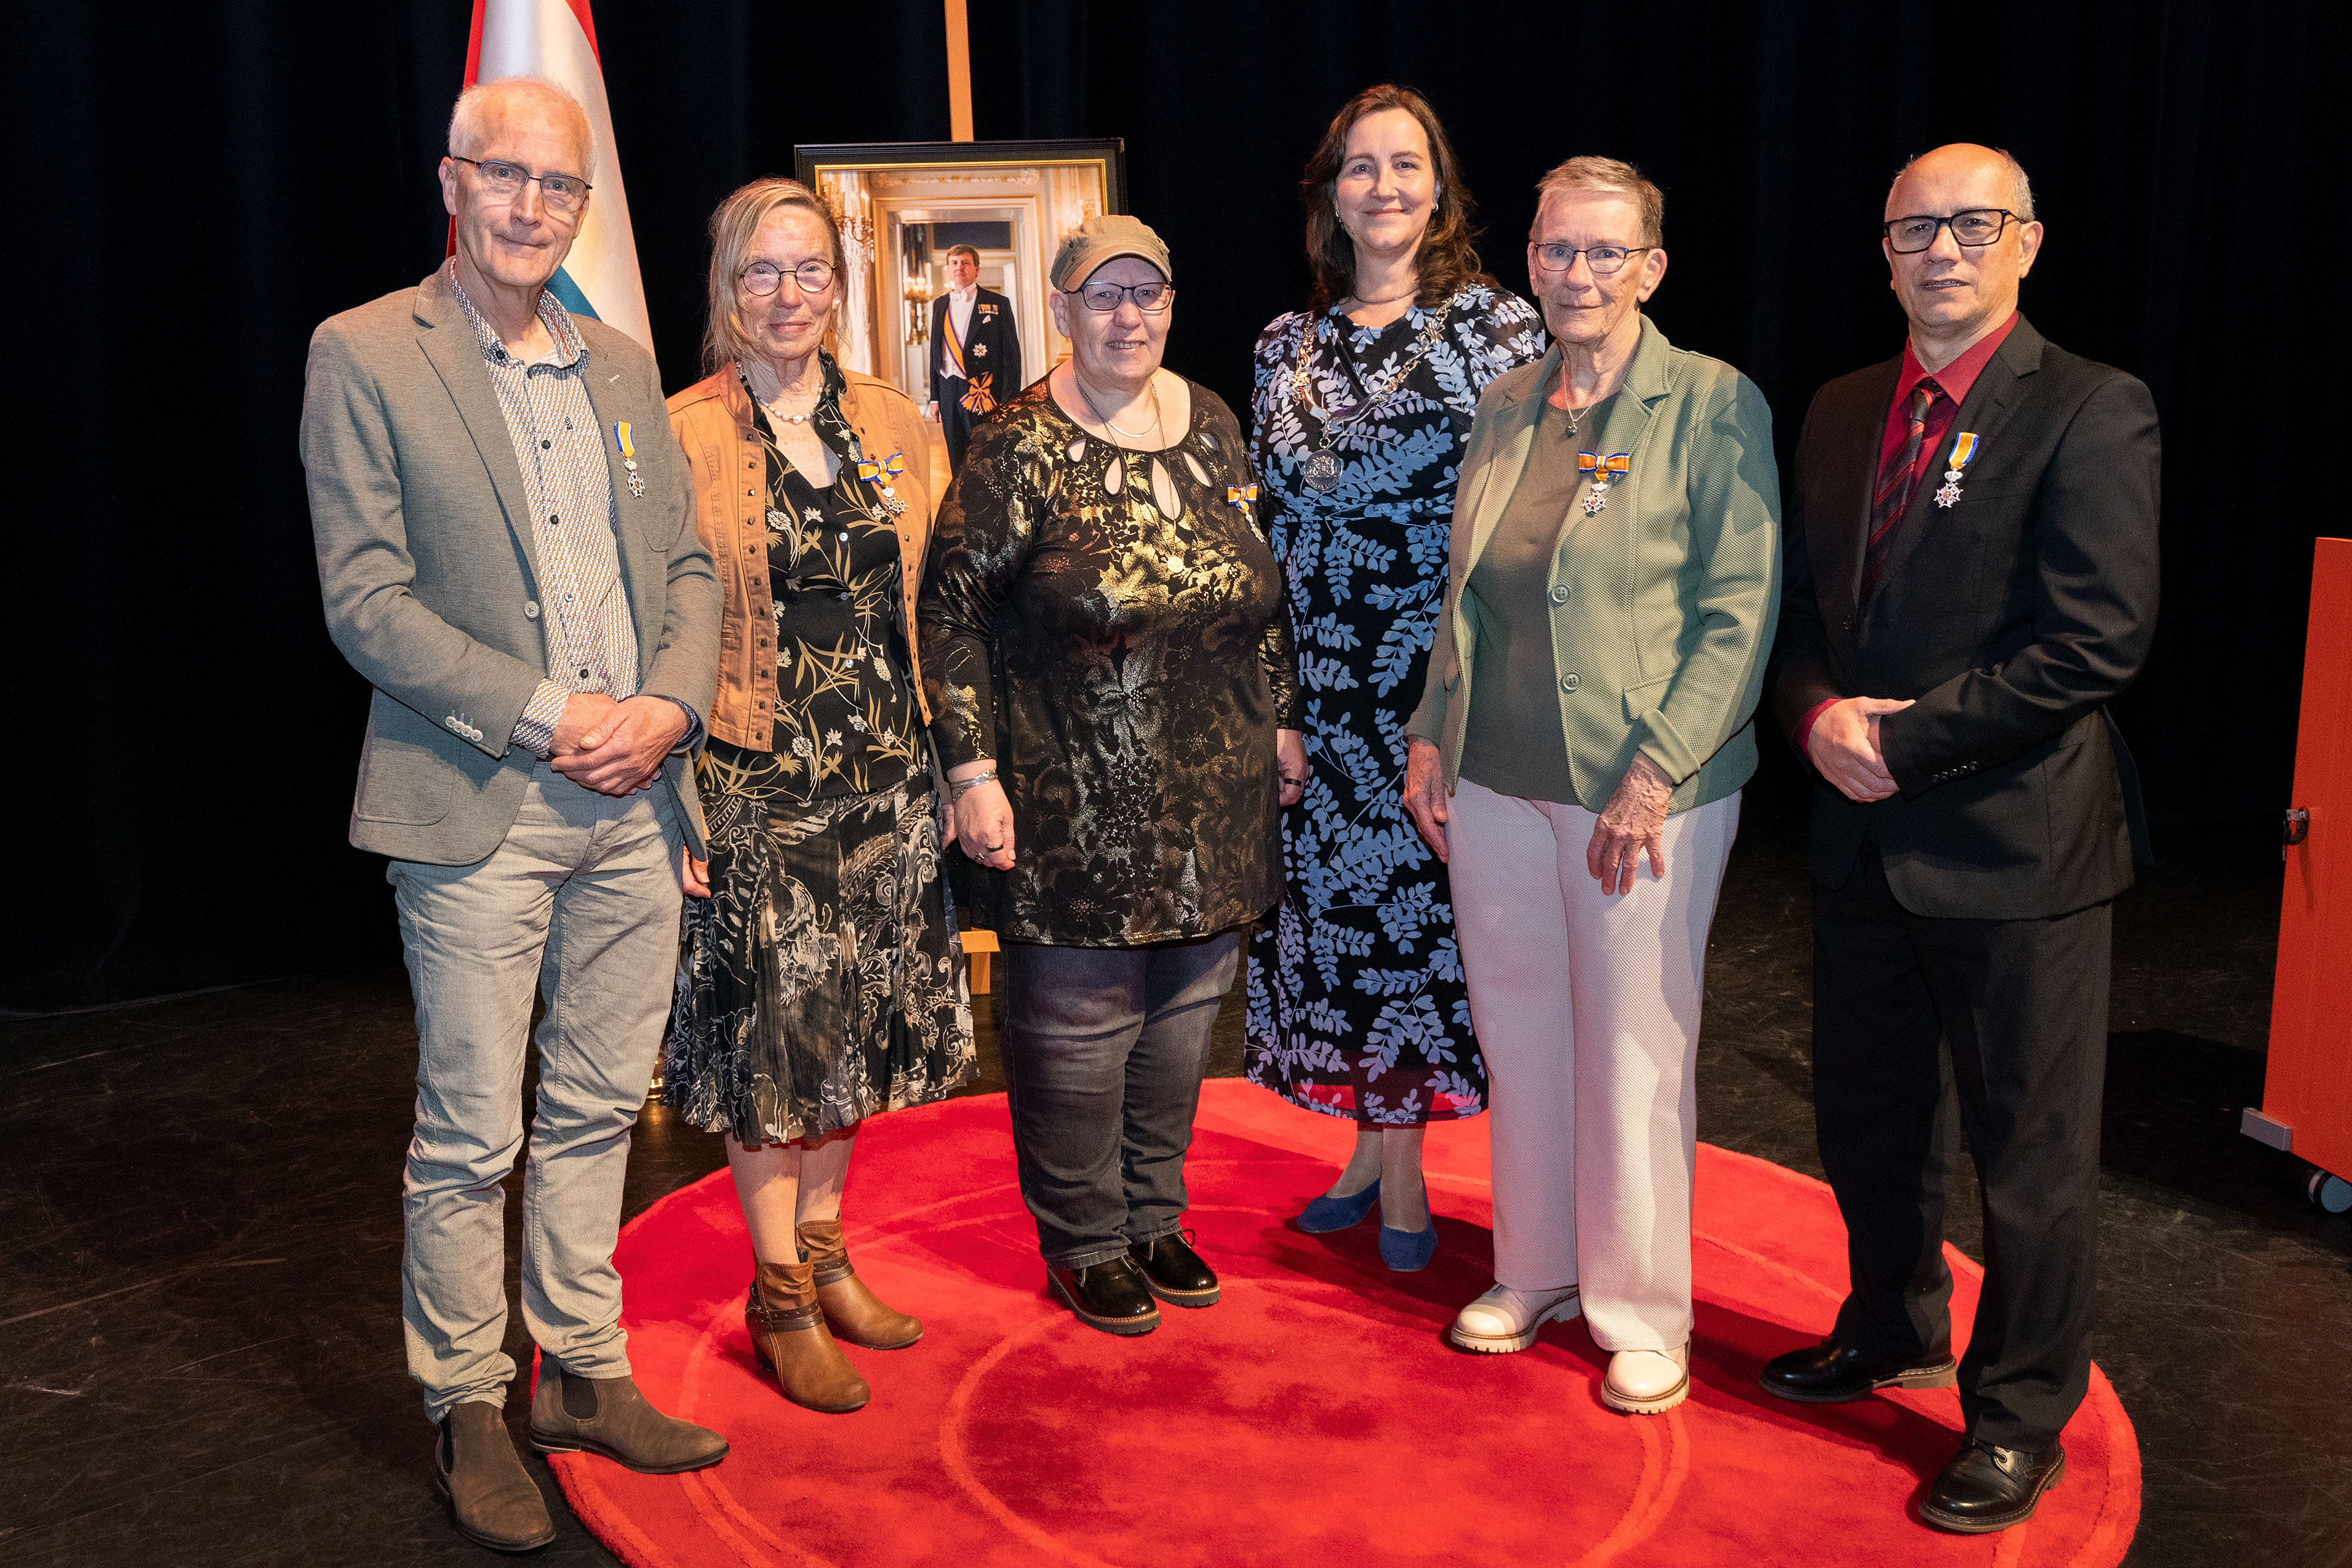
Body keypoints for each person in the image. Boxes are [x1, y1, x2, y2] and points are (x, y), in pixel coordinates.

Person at [299, 77, 728, 1553]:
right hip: (482, 796)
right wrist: (558, 713)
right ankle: (468, 1400)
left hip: (635, 801)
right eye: (508, 178)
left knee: (602, 1104)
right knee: (470, 1130)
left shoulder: (619, 366)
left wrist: (666, 711)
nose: (534, 205)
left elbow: (686, 571)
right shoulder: (364, 351)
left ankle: (579, 1371)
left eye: (560, 185)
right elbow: (365, 603)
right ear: (452, 181)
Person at [1760, 143, 2158, 1532]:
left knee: (2026, 1154)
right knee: (1870, 1119)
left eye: (1970, 224)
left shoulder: (2092, 409)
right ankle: (1887, 1322)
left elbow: (2094, 640)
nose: (1940, 248)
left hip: (2013, 846)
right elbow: (1798, 618)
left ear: (2026, 242)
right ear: (1880, 252)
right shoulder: (1837, 408)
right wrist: (1814, 722)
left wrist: (1901, 740)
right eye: (1912, 228)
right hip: (1856, 835)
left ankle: (2015, 1413)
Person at [1402, 157, 1780, 1414]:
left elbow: (1735, 613)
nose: (1577, 274)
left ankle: (1637, 1308)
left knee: (1632, 1048)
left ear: (1650, 268)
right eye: (1558, 250)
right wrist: (1428, 732)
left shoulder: (1712, 403)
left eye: (1604, 253)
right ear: (1531, 262)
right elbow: (1467, 595)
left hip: (1642, 791)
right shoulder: (1508, 401)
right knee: (1520, 1036)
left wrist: (1656, 769)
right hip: (1495, 784)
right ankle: (1535, 1269)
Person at [919, 214, 1306, 1337]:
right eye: (1102, 295)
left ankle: (1152, 1212)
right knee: (1079, 1028)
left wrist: (1280, 717)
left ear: (1171, 303)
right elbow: (948, 612)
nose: (1126, 314)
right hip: (1065, 797)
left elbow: (1258, 589)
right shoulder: (1014, 444)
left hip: (1214, 798)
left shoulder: (1215, 424)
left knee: (1185, 1017)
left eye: (1146, 292)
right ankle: (1085, 1235)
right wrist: (969, 767)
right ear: (1063, 309)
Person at [661, 178, 975, 1416]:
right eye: (760, 273)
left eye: (809, 273)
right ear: (726, 289)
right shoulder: (682, 429)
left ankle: (831, 1255)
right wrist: (673, 790)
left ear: (838, 289)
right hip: (755, 782)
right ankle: (778, 1292)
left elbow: (942, 610)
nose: (787, 297)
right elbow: (651, 627)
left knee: (856, 1037)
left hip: (886, 779)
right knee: (775, 1051)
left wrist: (957, 760)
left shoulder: (897, 423)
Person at [1241, 85, 1545, 1273]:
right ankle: (1371, 1154)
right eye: (1360, 168)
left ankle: (1406, 1171)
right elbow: (1258, 528)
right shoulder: (1282, 342)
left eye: (1405, 165)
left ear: (1439, 185)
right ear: (1329, 194)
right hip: (1313, 689)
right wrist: (1271, 700)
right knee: (1332, 929)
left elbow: (1525, 517)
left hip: (1434, 689)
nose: (1383, 187)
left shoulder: (1494, 329)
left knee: (1417, 933)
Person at [927, 242, 1022, 468]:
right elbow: (935, 351)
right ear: (949, 269)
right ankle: (960, 501)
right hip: (948, 388)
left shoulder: (998, 303)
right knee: (955, 452)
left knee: (985, 450)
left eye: (965, 263)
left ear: (977, 269)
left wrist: (1009, 401)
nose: (959, 267)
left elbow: (1012, 356)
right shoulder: (939, 305)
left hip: (983, 389)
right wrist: (935, 397)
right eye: (954, 263)